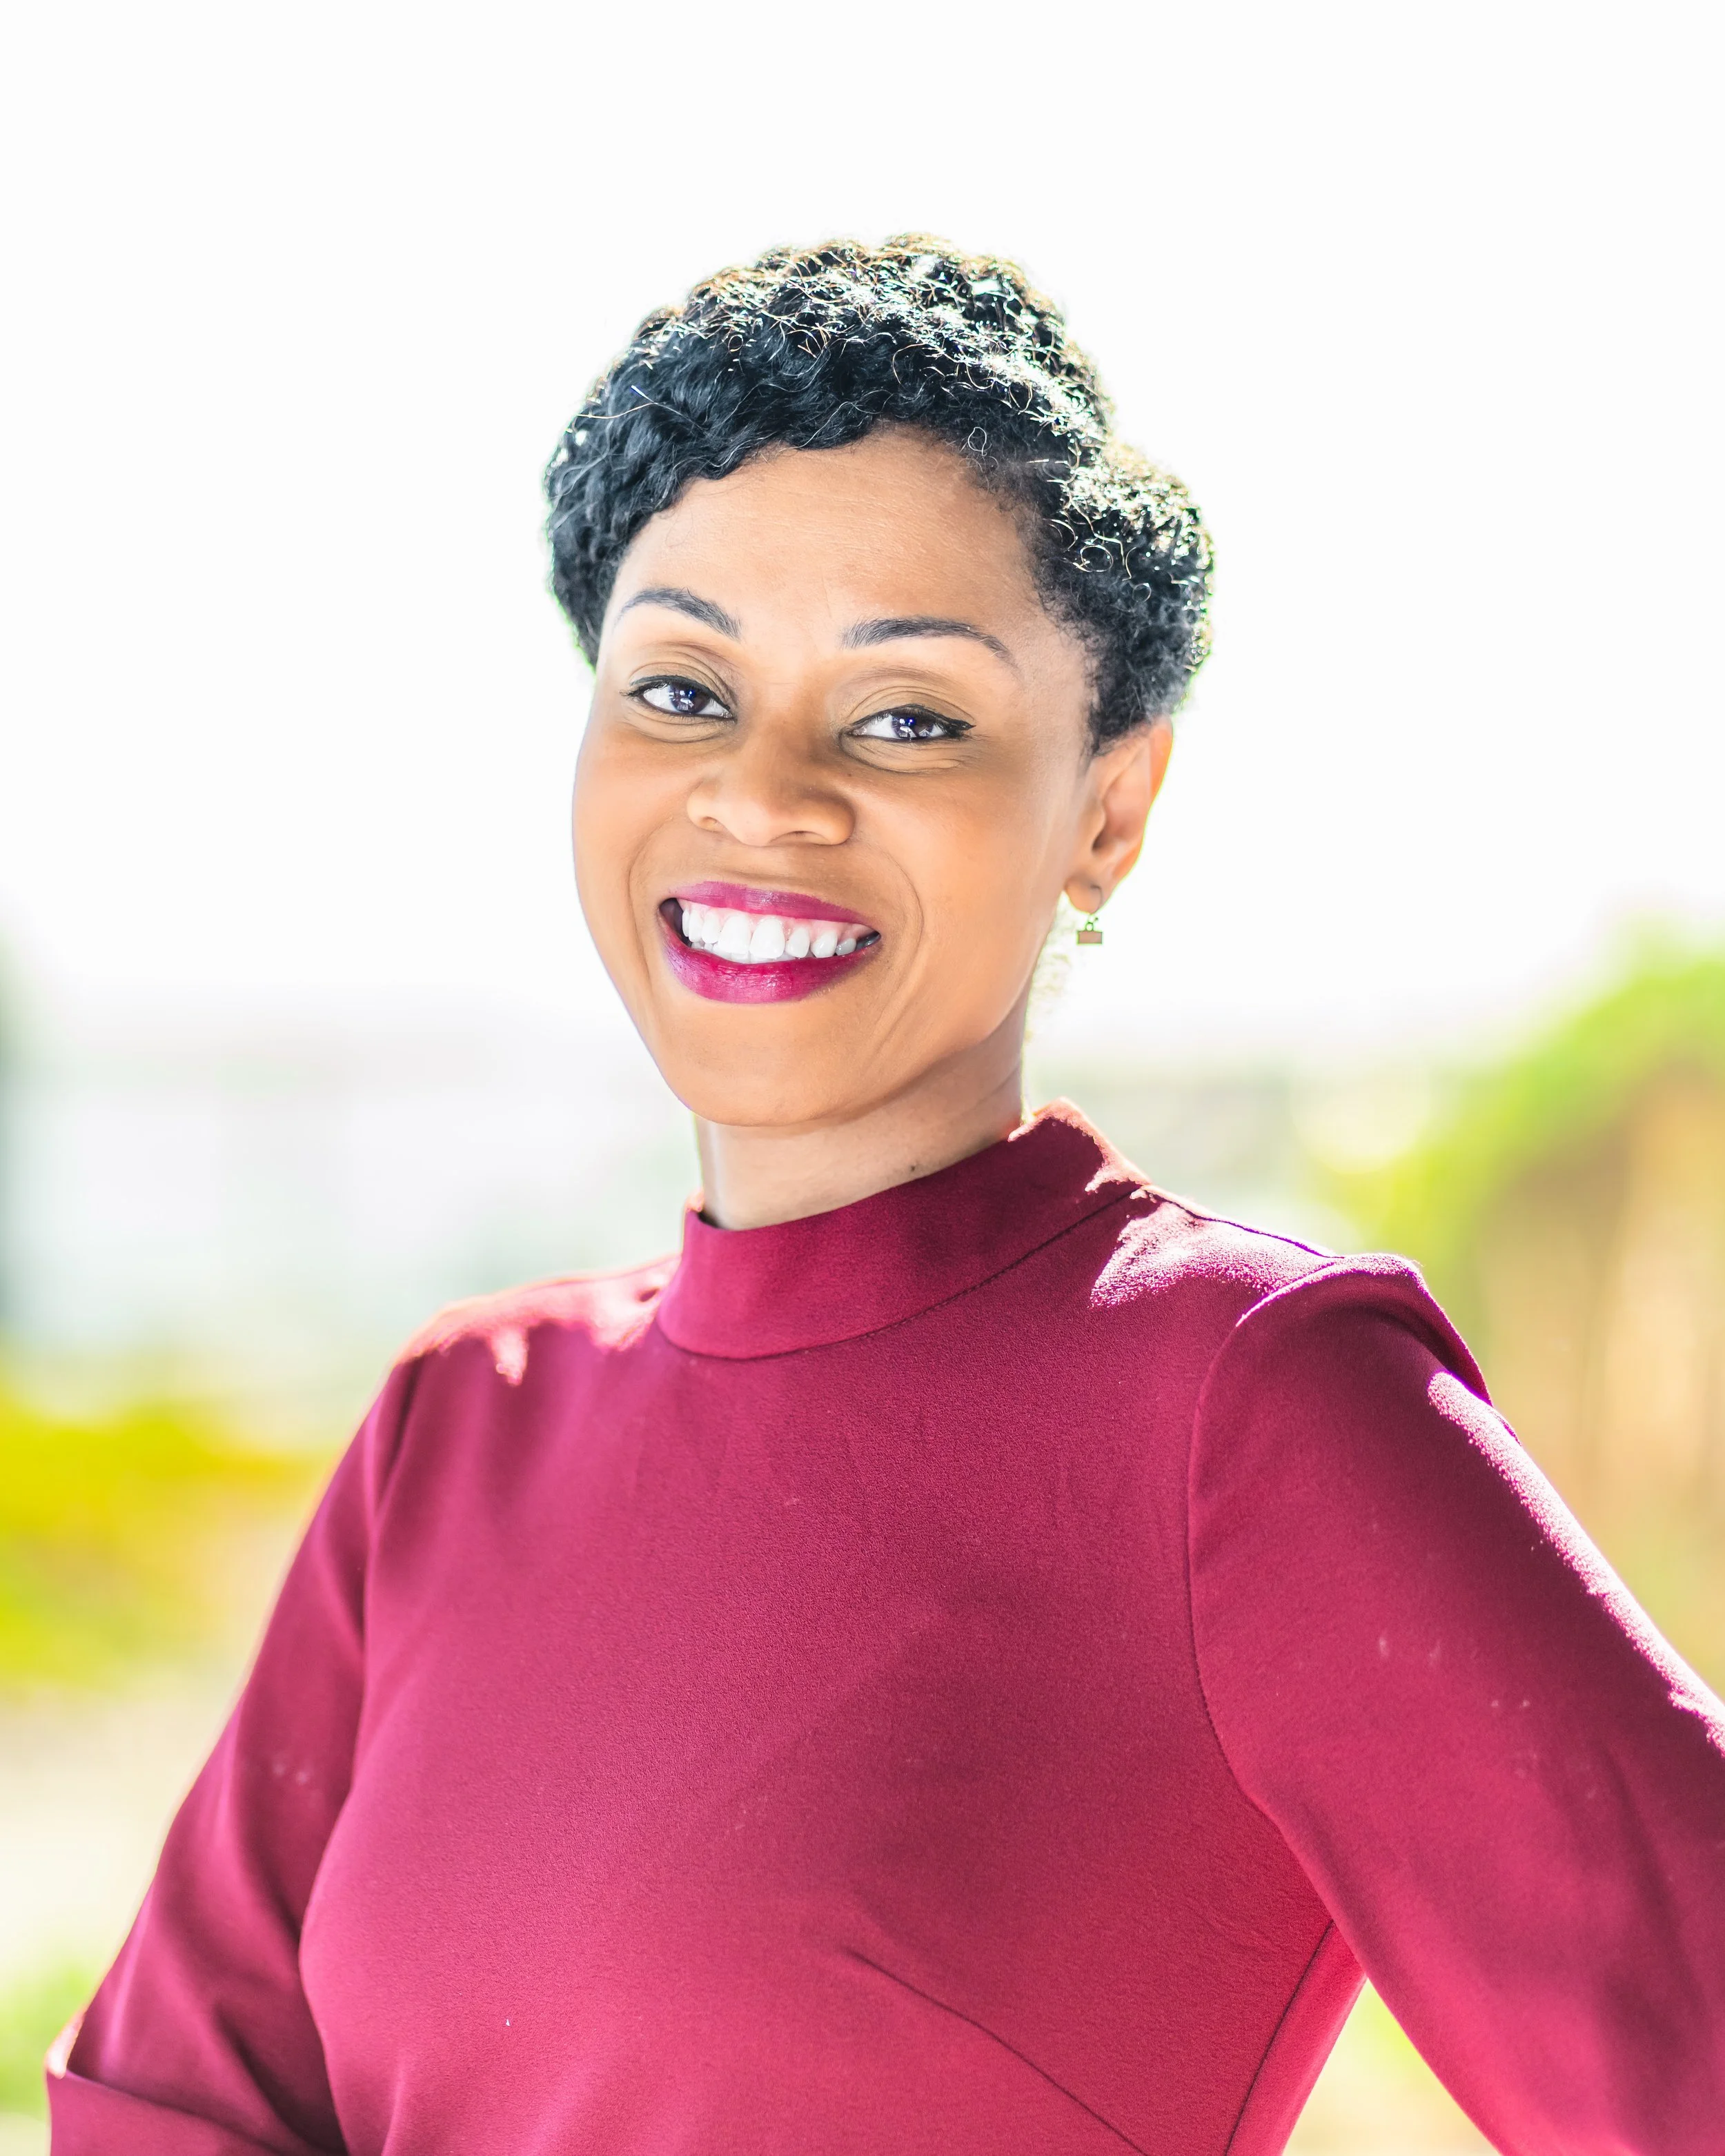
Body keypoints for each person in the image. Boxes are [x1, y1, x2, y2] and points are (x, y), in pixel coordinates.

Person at [48, 239, 1725, 2155]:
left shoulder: (1247, 1400)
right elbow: (168, 2120)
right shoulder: (458, 1428)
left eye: (908, 714)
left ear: (1108, 807)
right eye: (681, 686)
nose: (762, 794)